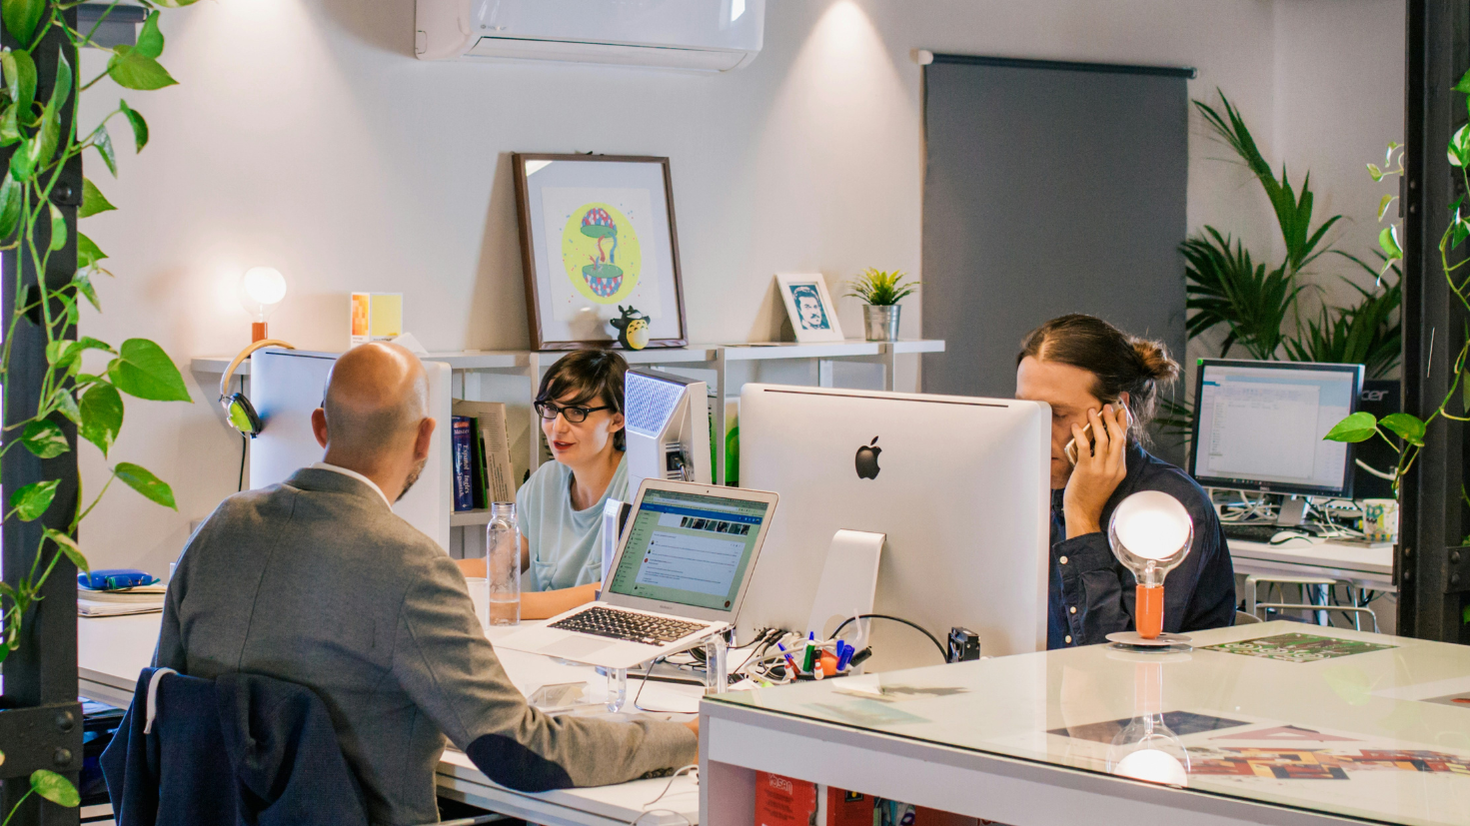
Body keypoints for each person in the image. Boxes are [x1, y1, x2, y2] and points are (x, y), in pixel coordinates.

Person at [157, 342, 696, 825]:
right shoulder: (412, 570)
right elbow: (521, 751)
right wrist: (685, 738)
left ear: (320, 427)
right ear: (426, 438)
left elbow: (164, 698)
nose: (559, 424)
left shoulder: (221, 526)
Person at [1014, 314, 1235, 648]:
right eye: (1027, 411)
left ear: (1118, 412)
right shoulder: (1025, 488)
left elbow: (1118, 665)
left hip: (1152, 698)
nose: (1037, 430)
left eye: (1058, 415)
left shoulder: (1168, 507)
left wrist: (1081, 516)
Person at [458, 350, 628, 619]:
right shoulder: (544, 483)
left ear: (617, 420)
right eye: (550, 409)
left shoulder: (638, 486)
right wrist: (425, 574)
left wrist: (507, 606)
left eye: (576, 412)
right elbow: (495, 568)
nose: (556, 427)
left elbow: (616, 595)